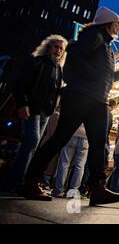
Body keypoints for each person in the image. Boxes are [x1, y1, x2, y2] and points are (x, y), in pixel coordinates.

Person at [21, 6, 119, 206]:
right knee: (61, 139)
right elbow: (75, 59)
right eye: (118, 24)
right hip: (81, 96)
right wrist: (93, 79)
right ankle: (31, 180)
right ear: (108, 23)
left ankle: (97, 188)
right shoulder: (94, 35)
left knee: (98, 145)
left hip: (97, 99)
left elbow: (108, 78)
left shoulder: (105, 44)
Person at [0, 35, 67, 195]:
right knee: (31, 141)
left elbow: (54, 91)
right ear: (48, 47)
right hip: (33, 108)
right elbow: (19, 83)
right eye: (55, 47)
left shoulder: (59, 69)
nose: (58, 51)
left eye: (61, 48)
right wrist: (23, 104)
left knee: (31, 146)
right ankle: (14, 182)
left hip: (46, 112)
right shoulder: (37, 62)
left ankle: (18, 182)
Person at [51, 124, 89, 198]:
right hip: (85, 137)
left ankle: (58, 191)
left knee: (64, 163)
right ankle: (73, 192)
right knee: (80, 166)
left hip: (72, 134)